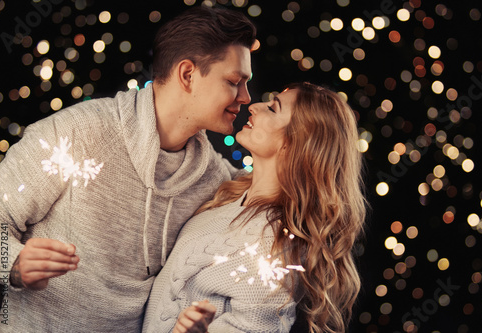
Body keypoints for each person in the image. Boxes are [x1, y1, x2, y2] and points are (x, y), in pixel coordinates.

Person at [0, 6, 256, 332]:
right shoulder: (77, 133)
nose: (245, 97)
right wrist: (14, 265)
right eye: (234, 81)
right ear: (187, 74)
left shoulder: (213, 177)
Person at [142, 82, 367, 333]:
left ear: (294, 142)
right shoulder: (232, 190)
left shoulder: (275, 249)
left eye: (272, 109)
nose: (255, 106)